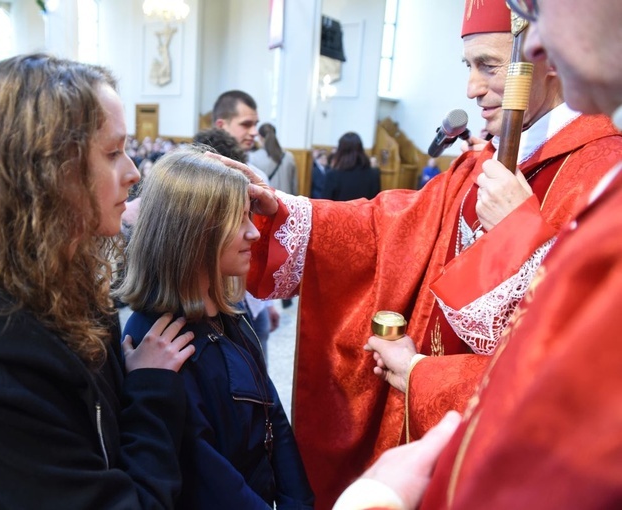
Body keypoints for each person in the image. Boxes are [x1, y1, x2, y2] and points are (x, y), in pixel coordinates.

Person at [237, 1, 622, 507]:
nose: (471, 88)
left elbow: (577, 371)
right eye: (469, 66)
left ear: (539, 61)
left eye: (489, 65)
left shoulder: (600, 172)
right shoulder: (480, 163)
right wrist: (287, 213)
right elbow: (387, 227)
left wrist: (425, 374)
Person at [0, 54, 197, 509]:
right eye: (111, 153)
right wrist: (151, 393)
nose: (133, 172)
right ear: (43, 177)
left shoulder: (66, 280)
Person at [118, 146, 314, 509]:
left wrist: (298, 501)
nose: (254, 233)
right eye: (238, 220)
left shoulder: (231, 312)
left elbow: (273, 415)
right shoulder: (159, 339)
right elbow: (207, 475)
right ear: (193, 233)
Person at [213, 91, 280, 352]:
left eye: (255, 124)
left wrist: (269, 301)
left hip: (251, 297)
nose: (254, 132)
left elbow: (261, 240)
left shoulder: (257, 174)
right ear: (222, 124)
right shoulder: (194, 177)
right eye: (245, 124)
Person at [322, 132, 381, 201]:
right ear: (361, 149)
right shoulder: (374, 174)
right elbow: (375, 203)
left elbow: (325, 205)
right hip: (363, 211)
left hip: (340, 212)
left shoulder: (332, 175)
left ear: (340, 151)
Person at [249, 122, 298, 195]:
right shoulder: (289, 157)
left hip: (268, 202)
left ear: (260, 136)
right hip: (288, 201)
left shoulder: (253, 157)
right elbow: (294, 185)